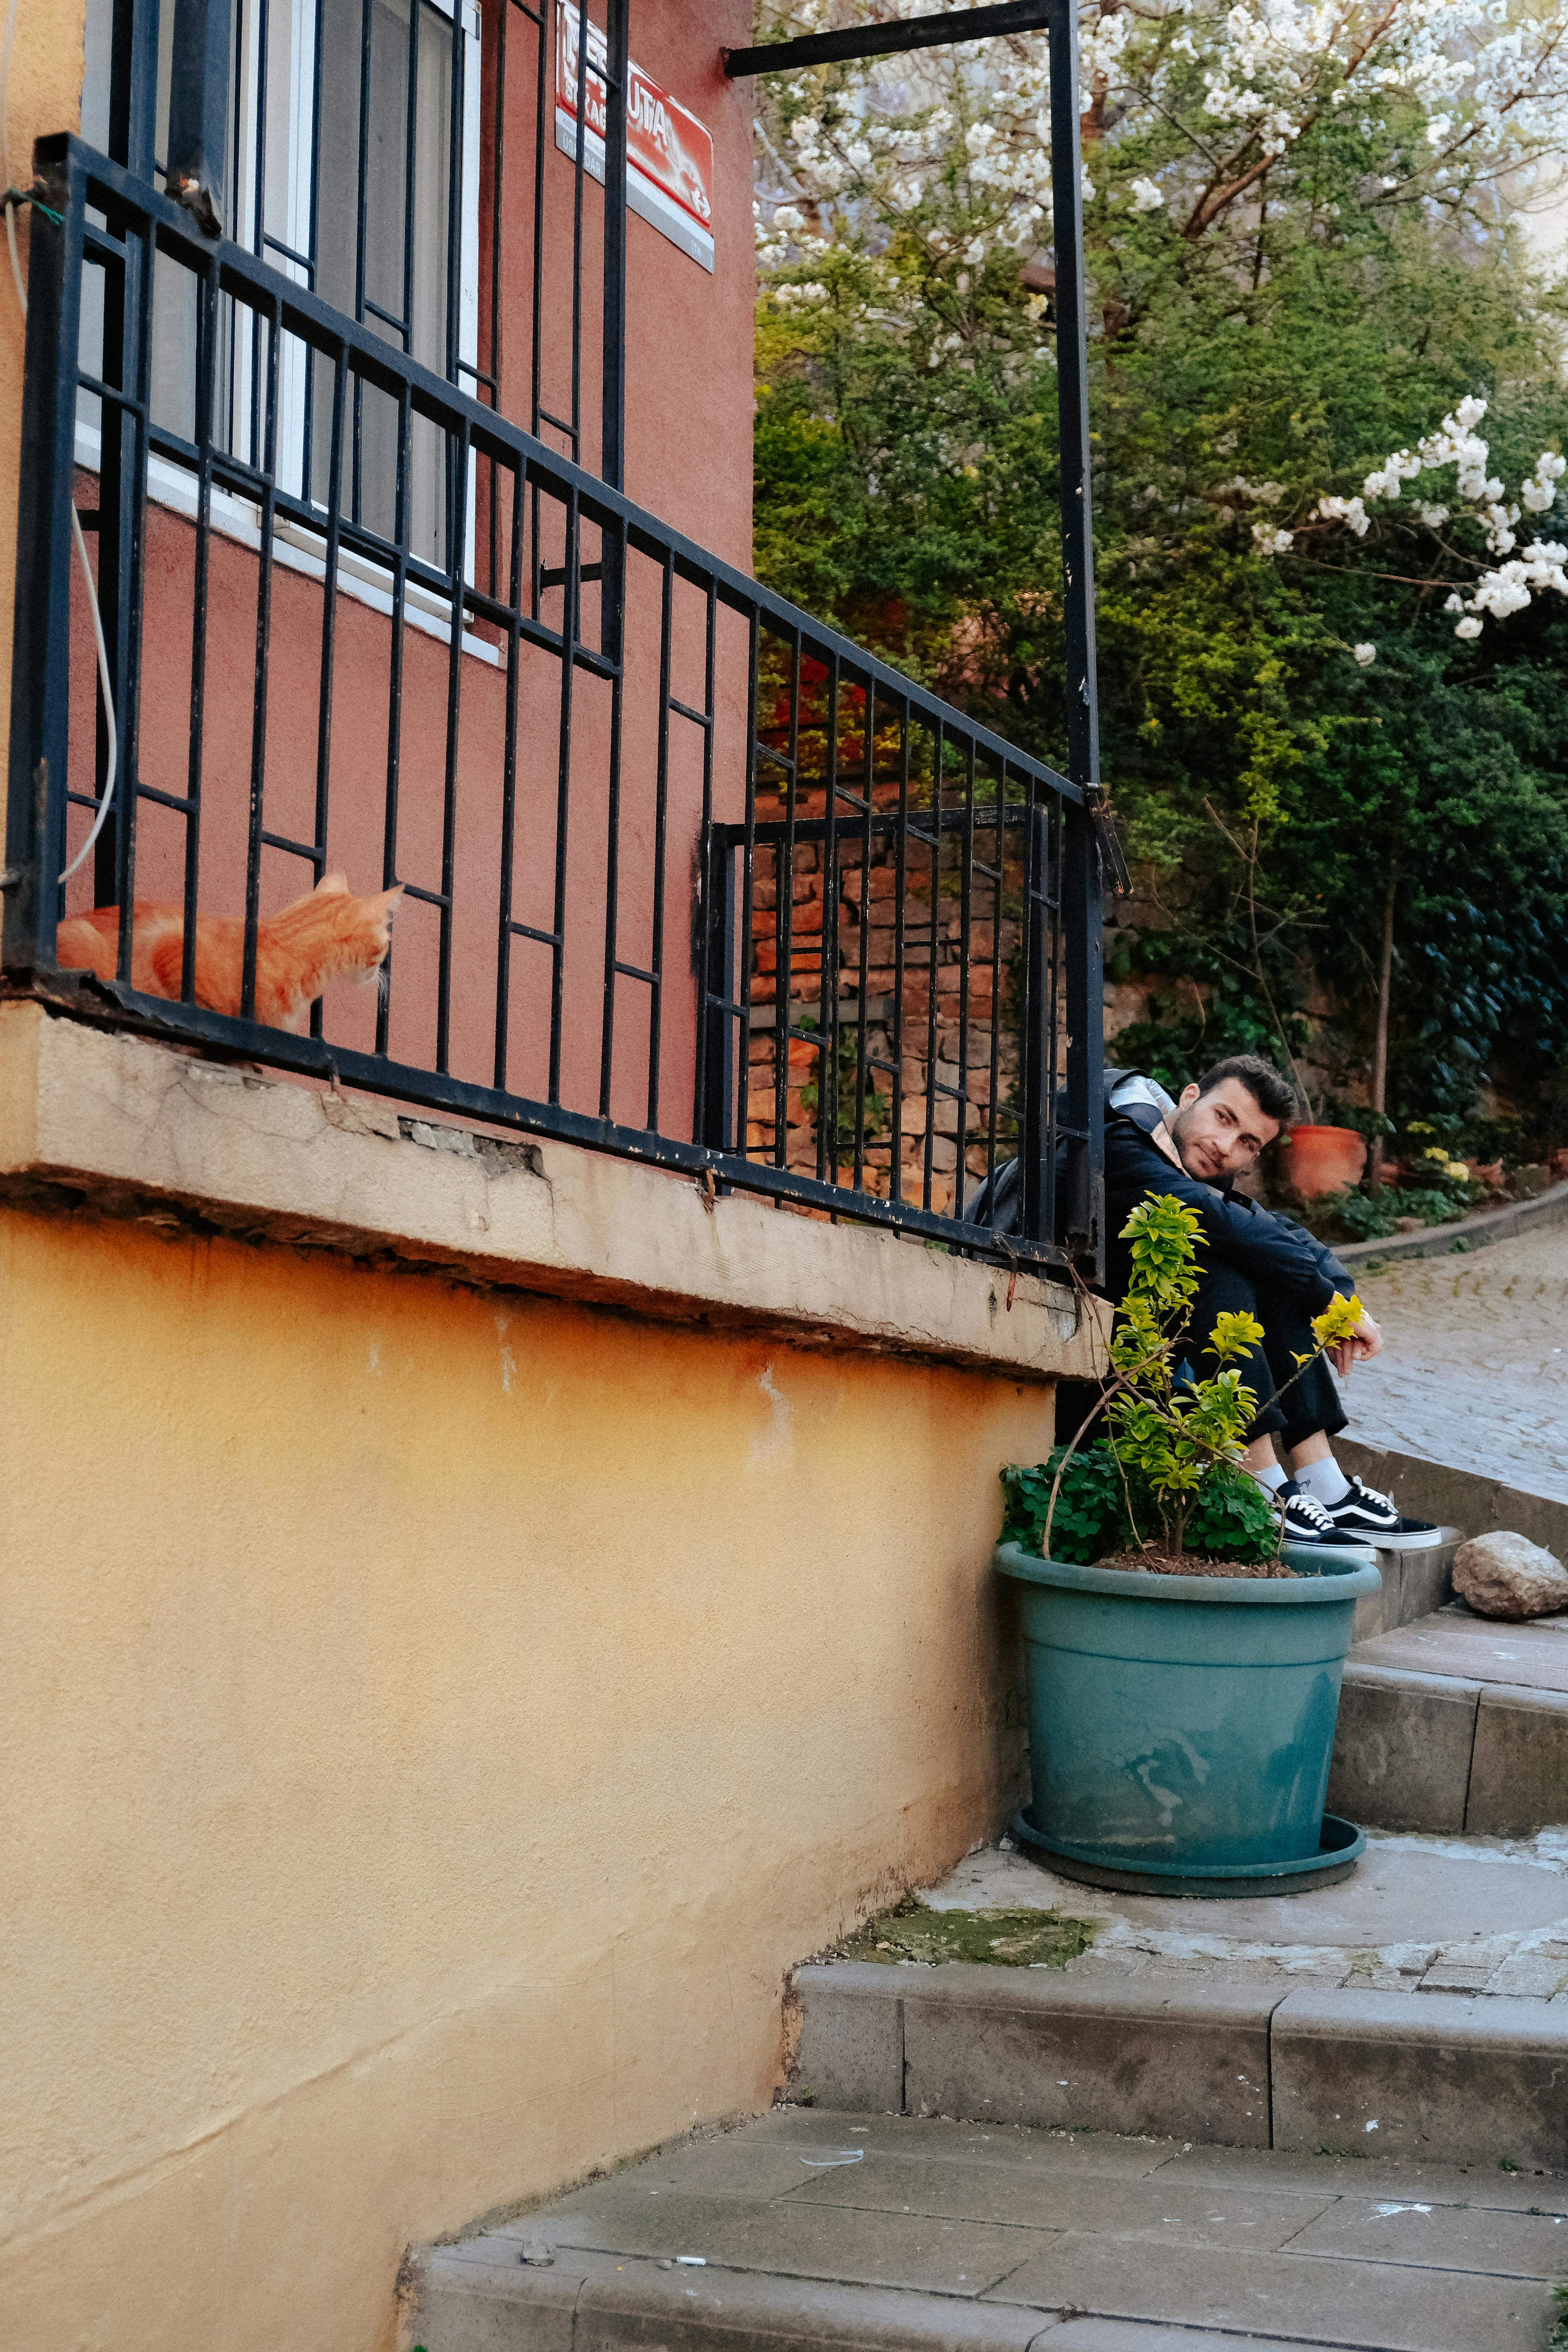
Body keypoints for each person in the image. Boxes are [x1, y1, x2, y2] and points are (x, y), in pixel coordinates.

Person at [1101, 1055, 1439, 1549]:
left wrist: (1341, 1304)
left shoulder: (1191, 1166)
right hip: (1097, 1318)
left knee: (1264, 1259)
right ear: (1190, 1097)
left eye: (1247, 1143)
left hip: (1156, 1327)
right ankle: (1261, 1483)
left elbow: (1276, 1229)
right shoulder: (1119, 1136)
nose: (1224, 1148)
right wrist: (1321, 1296)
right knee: (1229, 1260)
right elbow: (1230, 1227)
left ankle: (1321, 1480)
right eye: (1224, 1118)